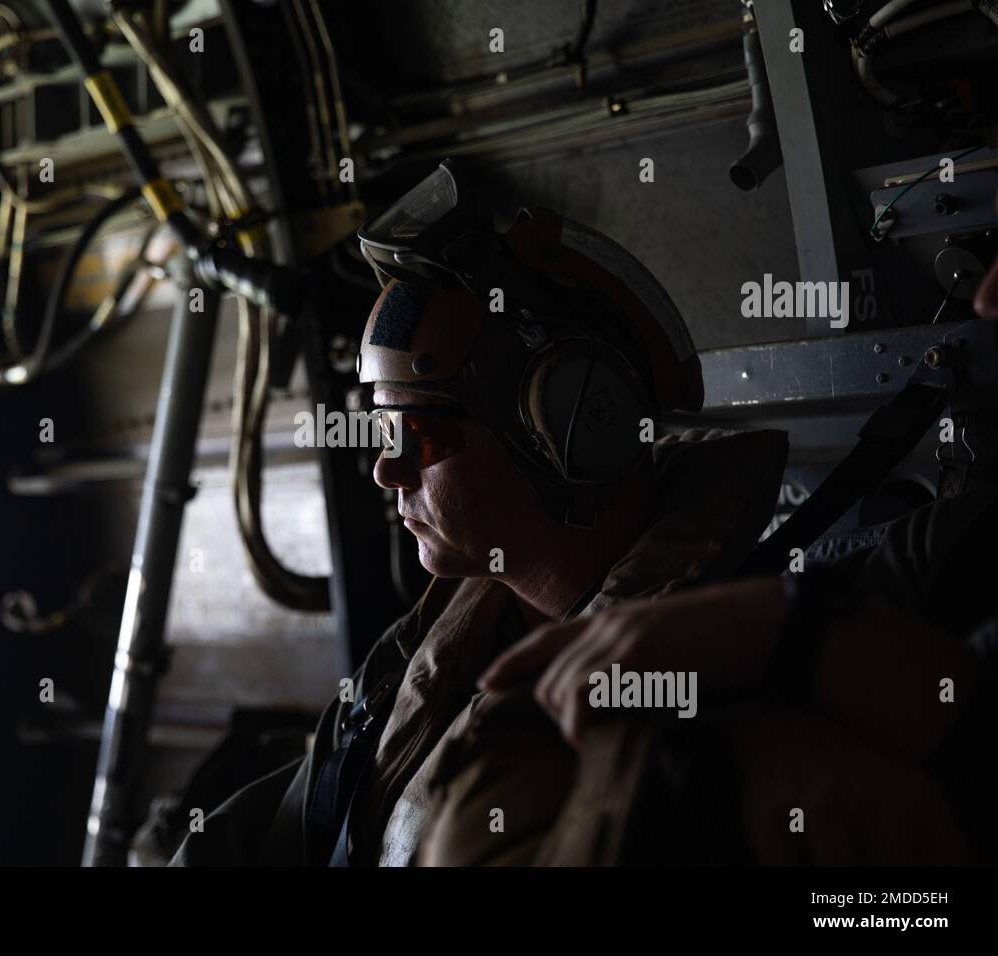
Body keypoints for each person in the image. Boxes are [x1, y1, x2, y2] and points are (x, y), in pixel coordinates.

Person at [171, 164, 789, 866]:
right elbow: (281, 832)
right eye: (382, 433)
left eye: (420, 436)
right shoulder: (425, 650)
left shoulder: (702, 690)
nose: (385, 469)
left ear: (574, 430)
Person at [417, 249, 998, 867]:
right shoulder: (945, 553)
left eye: (421, 434)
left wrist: (790, 636)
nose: (986, 300)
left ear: (582, 426)